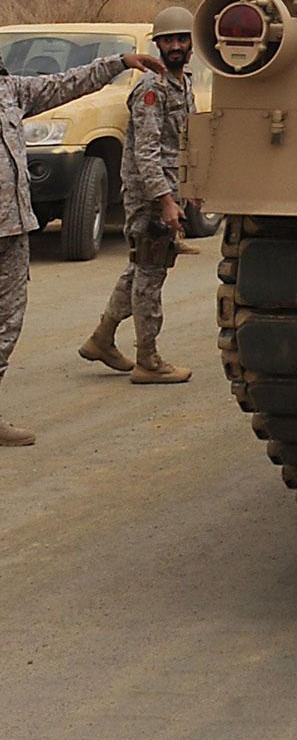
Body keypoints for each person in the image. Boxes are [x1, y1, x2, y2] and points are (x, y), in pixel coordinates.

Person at [0, 39, 166, 446]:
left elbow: (65, 83)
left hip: (12, 230)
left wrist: (119, 63)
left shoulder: (10, 92)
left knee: (7, 323)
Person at [78, 7, 197, 387]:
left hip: (167, 192)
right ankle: (148, 359)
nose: (176, 46)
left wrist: (188, 191)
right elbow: (146, 154)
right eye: (168, 40)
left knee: (140, 268)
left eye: (182, 39)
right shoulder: (152, 89)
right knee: (150, 275)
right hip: (150, 197)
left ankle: (102, 338)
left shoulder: (183, 83)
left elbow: (183, 142)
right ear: (157, 44)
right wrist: (165, 201)